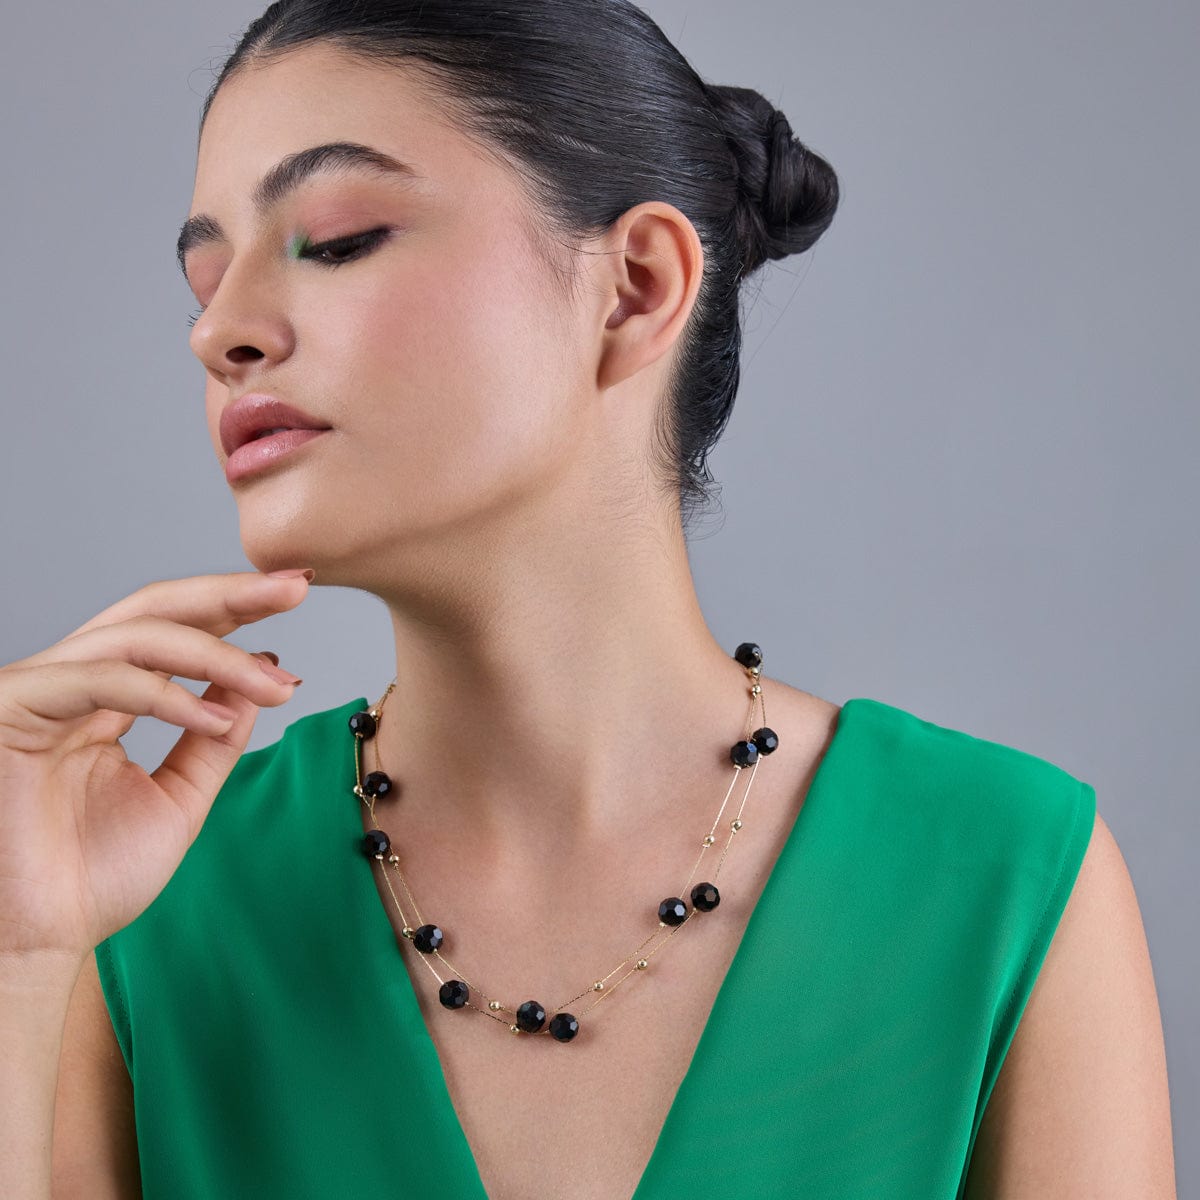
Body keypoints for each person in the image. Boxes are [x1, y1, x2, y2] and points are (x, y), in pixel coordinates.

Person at [0, 2, 1177, 1197]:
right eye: (204, 283)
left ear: (634, 289)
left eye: (340, 239)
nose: (219, 332)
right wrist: (19, 955)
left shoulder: (1001, 875)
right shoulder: (140, 906)